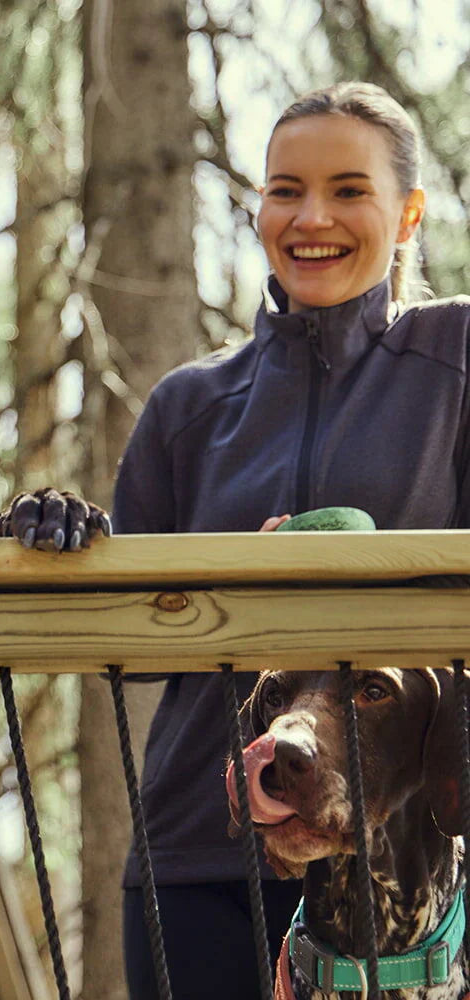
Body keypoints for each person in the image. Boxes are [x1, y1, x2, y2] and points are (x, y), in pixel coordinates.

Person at [114, 81, 470, 999]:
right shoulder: (186, 407)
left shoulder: (458, 358)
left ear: (408, 214)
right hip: (202, 857)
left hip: (420, 858)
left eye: (350, 189)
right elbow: (131, 648)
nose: (313, 217)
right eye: (285, 189)